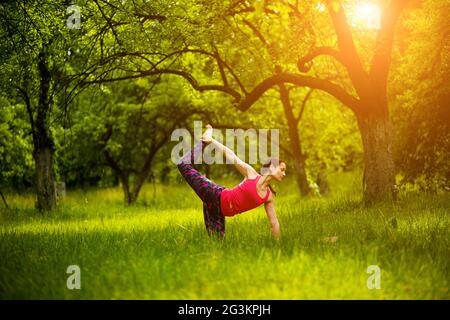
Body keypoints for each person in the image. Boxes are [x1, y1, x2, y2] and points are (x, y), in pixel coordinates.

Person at [176, 125, 286, 239]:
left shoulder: (269, 196)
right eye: (282, 169)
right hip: (215, 194)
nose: (284, 174)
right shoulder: (251, 174)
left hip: (218, 211)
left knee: (216, 245)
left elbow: (274, 223)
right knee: (183, 164)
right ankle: (205, 140)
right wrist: (212, 141)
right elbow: (231, 155)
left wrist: (277, 245)